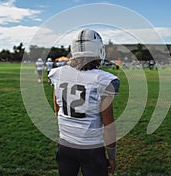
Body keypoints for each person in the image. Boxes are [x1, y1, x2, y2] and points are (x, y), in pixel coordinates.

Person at [48, 29, 120, 176]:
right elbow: (109, 125)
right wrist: (112, 156)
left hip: (65, 144)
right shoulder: (102, 79)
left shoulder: (58, 74)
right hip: (91, 148)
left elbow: (57, 109)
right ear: (98, 50)